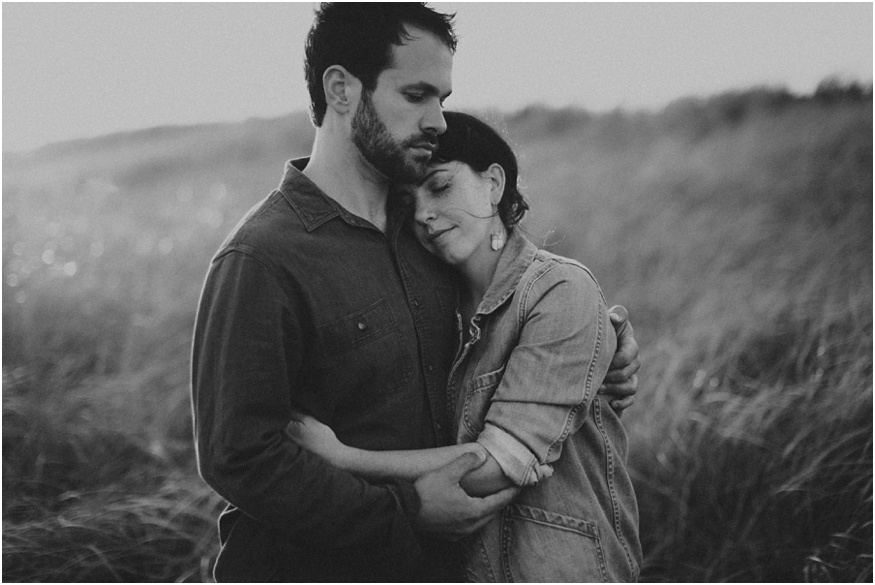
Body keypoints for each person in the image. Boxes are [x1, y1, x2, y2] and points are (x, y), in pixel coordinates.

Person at [190, 3, 641, 582]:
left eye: (443, 100)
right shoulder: (261, 258)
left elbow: (512, 319)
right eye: (416, 95)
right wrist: (404, 513)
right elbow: (239, 456)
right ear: (342, 90)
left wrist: (607, 346)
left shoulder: (427, 234)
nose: (439, 122)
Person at [286, 111, 643, 582]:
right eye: (406, 202)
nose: (422, 214)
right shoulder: (433, 308)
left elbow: (496, 465)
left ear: (494, 184)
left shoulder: (559, 290)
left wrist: (343, 461)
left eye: (439, 187)